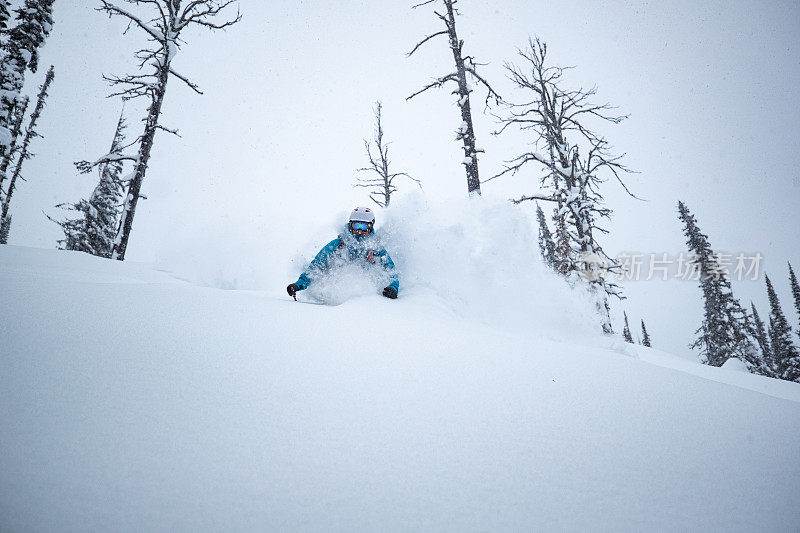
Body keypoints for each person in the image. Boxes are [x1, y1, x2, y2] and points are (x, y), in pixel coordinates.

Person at [287, 207, 399, 300]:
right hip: (335, 296)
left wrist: (393, 288)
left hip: (367, 301)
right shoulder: (338, 245)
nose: (359, 230)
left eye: (363, 226)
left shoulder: (376, 249)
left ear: (370, 227)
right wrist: (298, 285)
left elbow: (390, 270)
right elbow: (316, 266)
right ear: (350, 226)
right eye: (356, 226)